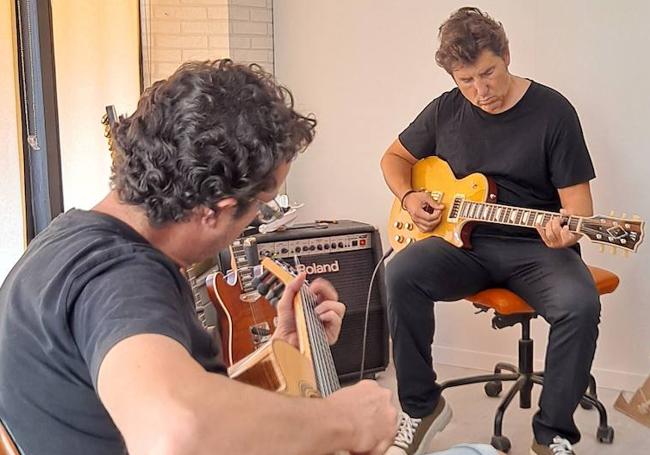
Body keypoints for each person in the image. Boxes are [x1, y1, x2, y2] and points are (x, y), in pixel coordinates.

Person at [0, 59, 398, 455]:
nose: (259, 217)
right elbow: (175, 433)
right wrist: (344, 421)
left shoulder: (66, 242)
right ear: (215, 210)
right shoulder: (121, 280)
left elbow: (156, 402)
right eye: (261, 203)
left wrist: (281, 355)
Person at [380, 7, 599, 455]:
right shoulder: (445, 110)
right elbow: (393, 159)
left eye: (488, 74)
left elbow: (578, 208)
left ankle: (551, 433)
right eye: (466, 81)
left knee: (580, 304)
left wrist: (566, 233)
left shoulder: (554, 112)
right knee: (399, 274)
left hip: (537, 248)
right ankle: (422, 407)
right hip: (464, 246)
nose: (481, 92)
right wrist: (408, 198)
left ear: (507, 55)